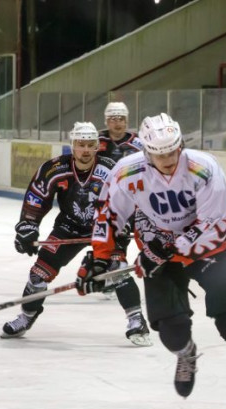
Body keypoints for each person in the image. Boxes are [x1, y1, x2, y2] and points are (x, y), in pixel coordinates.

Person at [78, 113, 226, 409]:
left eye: (172, 151)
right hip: (157, 254)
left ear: (181, 145)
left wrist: (169, 247)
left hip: (206, 250)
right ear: (146, 151)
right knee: (172, 331)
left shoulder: (202, 167)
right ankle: (187, 353)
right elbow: (108, 215)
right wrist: (101, 259)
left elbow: (217, 221)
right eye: (159, 153)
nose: (168, 159)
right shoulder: (127, 173)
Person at [1, 122, 150, 346]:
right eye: (81, 145)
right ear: (73, 145)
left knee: (117, 269)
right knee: (38, 273)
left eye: (91, 145)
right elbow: (36, 197)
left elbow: (129, 200)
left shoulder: (111, 169)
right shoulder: (54, 169)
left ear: (97, 146)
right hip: (69, 226)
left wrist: (125, 225)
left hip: (105, 228)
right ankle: (26, 317)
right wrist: (28, 227)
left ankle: (136, 320)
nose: (86, 150)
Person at [97, 102, 146, 304]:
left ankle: (162, 268)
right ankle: (112, 273)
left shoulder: (139, 143)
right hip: (109, 198)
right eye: (113, 119)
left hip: (137, 198)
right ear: (107, 121)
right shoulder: (96, 141)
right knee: (113, 237)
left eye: (121, 119)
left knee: (147, 235)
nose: (118, 123)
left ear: (127, 120)